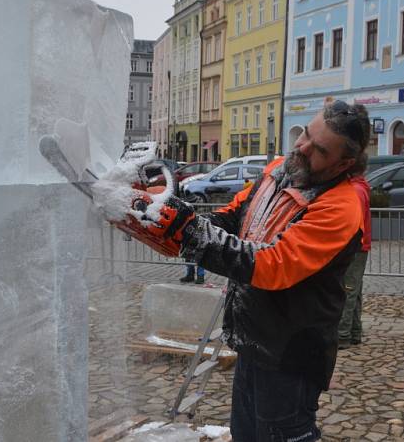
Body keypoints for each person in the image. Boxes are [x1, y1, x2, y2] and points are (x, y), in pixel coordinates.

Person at [105, 100, 370, 441]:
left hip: (292, 354)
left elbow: (271, 265)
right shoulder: (279, 171)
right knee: (246, 434)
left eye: (318, 149)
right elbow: (232, 219)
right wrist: (166, 215)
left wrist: (187, 231)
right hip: (253, 340)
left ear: (344, 163)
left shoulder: (341, 205)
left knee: (281, 434)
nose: (302, 148)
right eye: (305, 134)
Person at [337, 174, 371, 350]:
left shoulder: (355, 191)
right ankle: (354, 332)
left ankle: (343, 335)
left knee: (348, 290)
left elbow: (352, 223)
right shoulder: (359, 187)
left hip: (355, 247)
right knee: (354, 290)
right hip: (359, 246)